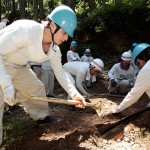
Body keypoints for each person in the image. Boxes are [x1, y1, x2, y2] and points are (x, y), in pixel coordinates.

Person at [0, 5, 86, 145]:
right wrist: (6, 84)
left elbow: (60, 73)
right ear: (52, 25)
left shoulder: (54, 50)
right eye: (64, 33)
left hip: (20, 66)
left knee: (37, 87)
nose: (66, 39)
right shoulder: (25, 30)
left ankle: (41, 118)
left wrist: (74, 93)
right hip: (1, 65)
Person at [113, 43, 150, 113]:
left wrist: (118, 109)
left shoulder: (147, 69)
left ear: (144, 57)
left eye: (138, 63)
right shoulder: (116, 66)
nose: (140, 66)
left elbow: (134, 94)